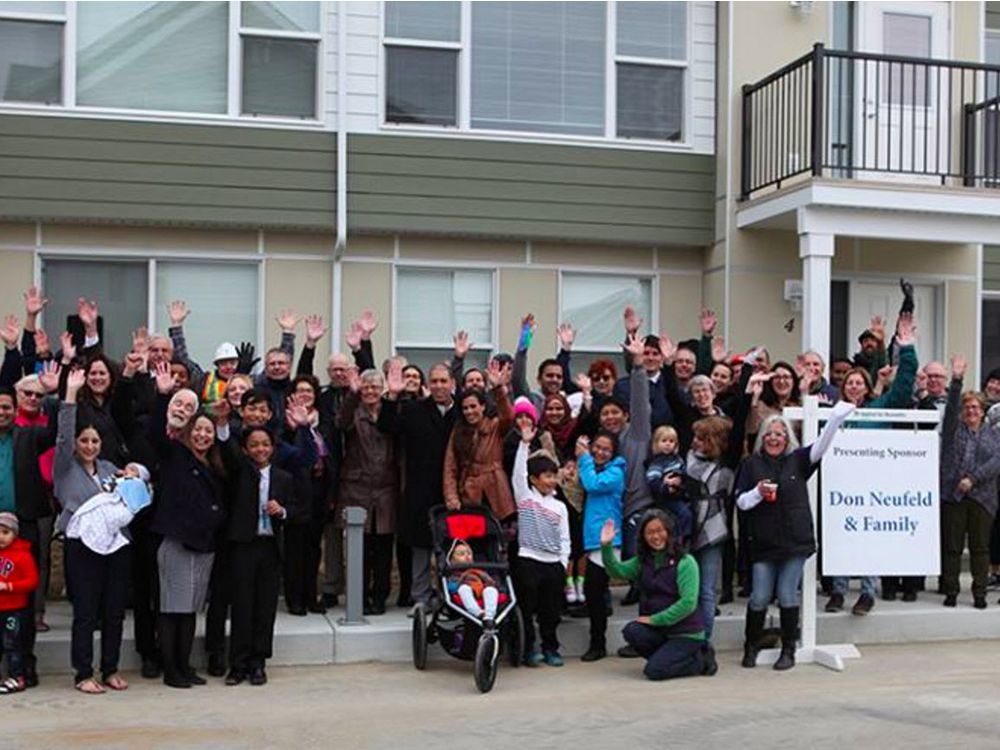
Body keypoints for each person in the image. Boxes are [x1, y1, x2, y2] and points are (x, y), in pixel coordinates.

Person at [736, 400, 856, 671]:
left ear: (788, 438)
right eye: (769, 433)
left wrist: (836, 418)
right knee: (759, 596)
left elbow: (822, 446)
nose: (774, 438)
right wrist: (757, 493)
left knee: (787, 593)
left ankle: (789, 647)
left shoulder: (799, 460)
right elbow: (741, 502)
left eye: (780, 433)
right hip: (764, 543)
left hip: (794, 541)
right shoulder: (751, 464)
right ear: (762, 438)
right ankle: (751, 644)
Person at [826, 312, 919, 615]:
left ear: (867, 388)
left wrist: (906, 348)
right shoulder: (833, 414)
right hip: (840, 486)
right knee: (841, 538)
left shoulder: (880, 407)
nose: (853, 386)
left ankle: (867, 593)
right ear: (843, 388)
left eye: (858, 383)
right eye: (849, 383)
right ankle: (838, 592)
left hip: (874, 487)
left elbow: (904, 385)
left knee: (869, 540)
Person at [146, 363, 227, 688]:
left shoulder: (216, 463)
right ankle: (172, 670)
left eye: (208, 431)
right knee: (172, 609)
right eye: (198, 430)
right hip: (177, 542)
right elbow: (155, 433)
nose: (203, 435)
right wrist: (162, 397)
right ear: (188, 432)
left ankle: (185, 665)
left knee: (190, 609)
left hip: (204, 544)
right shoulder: (174, 453)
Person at [56, 368, 129, 694]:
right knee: (86, 611)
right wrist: (71, 394)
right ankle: (83, 673)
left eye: (94, 441)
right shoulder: (65, 468)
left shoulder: (110, 470)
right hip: (81, 546)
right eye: (83, 441)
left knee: (114, 610)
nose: (89, 445)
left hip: (115, 547)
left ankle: (110, 668)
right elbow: (63, 435)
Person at [219, 425, 305, 686]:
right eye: (254, 445)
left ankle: (258, 662)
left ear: (273, 448)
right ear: (246, 449)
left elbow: (299, 509)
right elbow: (229, 453)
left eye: (265, 444)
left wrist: (283, 511)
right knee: (242, 605)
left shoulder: (283, 477)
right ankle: (238, 663)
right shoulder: (241, 472)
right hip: (244, 545)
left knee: (265, 607)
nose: (260, 449)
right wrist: (223, 425)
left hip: (270, 547)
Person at [378, 361, 456, 607]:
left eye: (444, 381)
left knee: (452, 548)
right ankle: (420, 597)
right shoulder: (415, 410)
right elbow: (387, 426)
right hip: (419, 490)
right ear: (427, 384)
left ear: (452, 384)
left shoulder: (461, 412)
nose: (439, 386)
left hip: (453, 492)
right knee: (420, 550)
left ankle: (450, 597)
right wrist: (391, 396)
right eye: (434, 381)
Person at [598, 511, 708, 680]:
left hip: (686, 633)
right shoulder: (643, 560)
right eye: (650, 532)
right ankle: (666, 659)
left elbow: (688, 603)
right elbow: (617, 571)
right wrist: (606, 546)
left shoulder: (686, 562)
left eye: (660, 530)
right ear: (643, 537)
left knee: (654, 672)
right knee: (632, 631)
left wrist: (655, 620)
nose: (656, 536)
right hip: (662, 632)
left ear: (669, 532)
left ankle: (701, 660)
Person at [334, 369, 399, 615]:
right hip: (357, 488)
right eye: (366, 387)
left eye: (375, 387)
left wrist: (392, 396)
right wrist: (351, 394)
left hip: (385, 489)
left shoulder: (390, 411)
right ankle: (358, 597)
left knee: (383, 547)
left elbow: (394, 429)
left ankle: (380, 596)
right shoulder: (354, 411)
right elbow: (341, 421)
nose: (370, 391)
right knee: (359, 548)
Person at [939, 355, 1000, 609]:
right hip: (954, 496)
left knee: (980, 548)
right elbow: (951, 406)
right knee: (952, 547)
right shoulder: (954, 428)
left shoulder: (992, 434)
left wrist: (972, 479)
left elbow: (996, 461)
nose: (971, 411)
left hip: (982, 498)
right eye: (968, 408)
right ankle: (951, 591)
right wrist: (957, 379)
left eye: (976, 407)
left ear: (983, 411)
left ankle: (979, 594)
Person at [512, 424, 570, 667]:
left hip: (553, 564)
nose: (551, 480)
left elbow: (565, 538)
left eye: (553, 475)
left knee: (551, 612)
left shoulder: (560, 507)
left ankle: (551, 648)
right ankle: (528, 649)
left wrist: (563, 562)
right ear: (534, 479)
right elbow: (517, 475)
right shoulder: (525, 498)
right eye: (546, 476)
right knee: (527, 609)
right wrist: (525, 444)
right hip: (528, 560)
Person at [576, 430, 627, 662]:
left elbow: (592, 485)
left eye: (606, 449)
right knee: (594, 592)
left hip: (608, 539)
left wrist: (584, 458)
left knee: (594, 591)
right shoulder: (595, 467)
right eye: (596, 447)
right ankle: (597, 641)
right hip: (593, 538)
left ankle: (598, 643)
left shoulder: (615, 472)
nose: (600, 452)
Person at [443, 360, 515, 522]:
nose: (469, 411)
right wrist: (451, 497)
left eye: (473, 407)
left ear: (482, 407)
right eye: (465, 408)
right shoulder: (458, 431)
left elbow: (509, 416)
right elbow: (450, 467)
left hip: (496, 491)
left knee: (497, 541)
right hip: (469, 492)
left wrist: (498, 389)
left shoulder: (495, 426)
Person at [0, 511, 39, 695]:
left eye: (5, 532)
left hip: (13, 609)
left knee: (12, 645)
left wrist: (8, 586)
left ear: (14, 534)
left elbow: (32, 581)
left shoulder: (22, 555)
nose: (1, 537)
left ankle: (17, 677)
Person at [645, 426, 691, 541]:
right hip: (666, 497)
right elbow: (652, 480)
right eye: (664, 441)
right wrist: (665, 485)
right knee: (684, 514)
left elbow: (685, 473)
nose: (668, 444)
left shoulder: (677, 459)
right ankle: (682, 537)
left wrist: (681, 480)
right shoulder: (657, 462)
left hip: (679, 493)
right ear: (656, 443)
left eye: (671, 441)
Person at [445, 540, 500, 621]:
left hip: (481, 591)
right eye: (461, 554)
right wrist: (461, 581)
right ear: (452, 561)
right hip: (465, 594)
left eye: (469, 553)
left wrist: (492, 584)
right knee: (464, 589)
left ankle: (489, 616)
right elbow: (451, 588)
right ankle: (478, 613)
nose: (467, 556)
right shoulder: (454, 575)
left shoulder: (479, 571)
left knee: (491, 589)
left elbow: (490, 581)